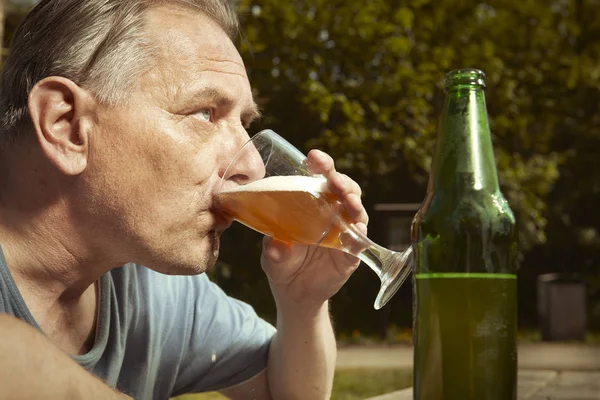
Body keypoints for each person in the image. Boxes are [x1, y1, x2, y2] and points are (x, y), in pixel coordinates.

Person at [0, 0, 369, 399]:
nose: (252, 167)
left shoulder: (151, 289)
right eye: (205, 113)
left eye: (244, 124)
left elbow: (286, 393)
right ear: (67, 126)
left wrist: (302, 304)